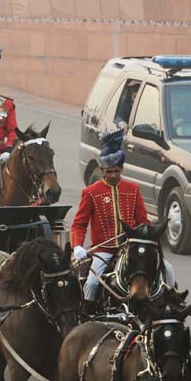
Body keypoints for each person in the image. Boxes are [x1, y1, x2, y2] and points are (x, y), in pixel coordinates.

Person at [71, 130, 175, 313]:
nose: (113, 175)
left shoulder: (133, 189)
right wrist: (77, 246)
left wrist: (146, 237)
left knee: (168, 268)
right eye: (109, 172)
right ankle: (87, 314)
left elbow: (143, 221)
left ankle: (172, 304)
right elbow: (79, 224)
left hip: (131, 247)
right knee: (92, 283)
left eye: (117, 171)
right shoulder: (91, 192)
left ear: (122, 169)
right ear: (102, 170)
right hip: (104, 250)